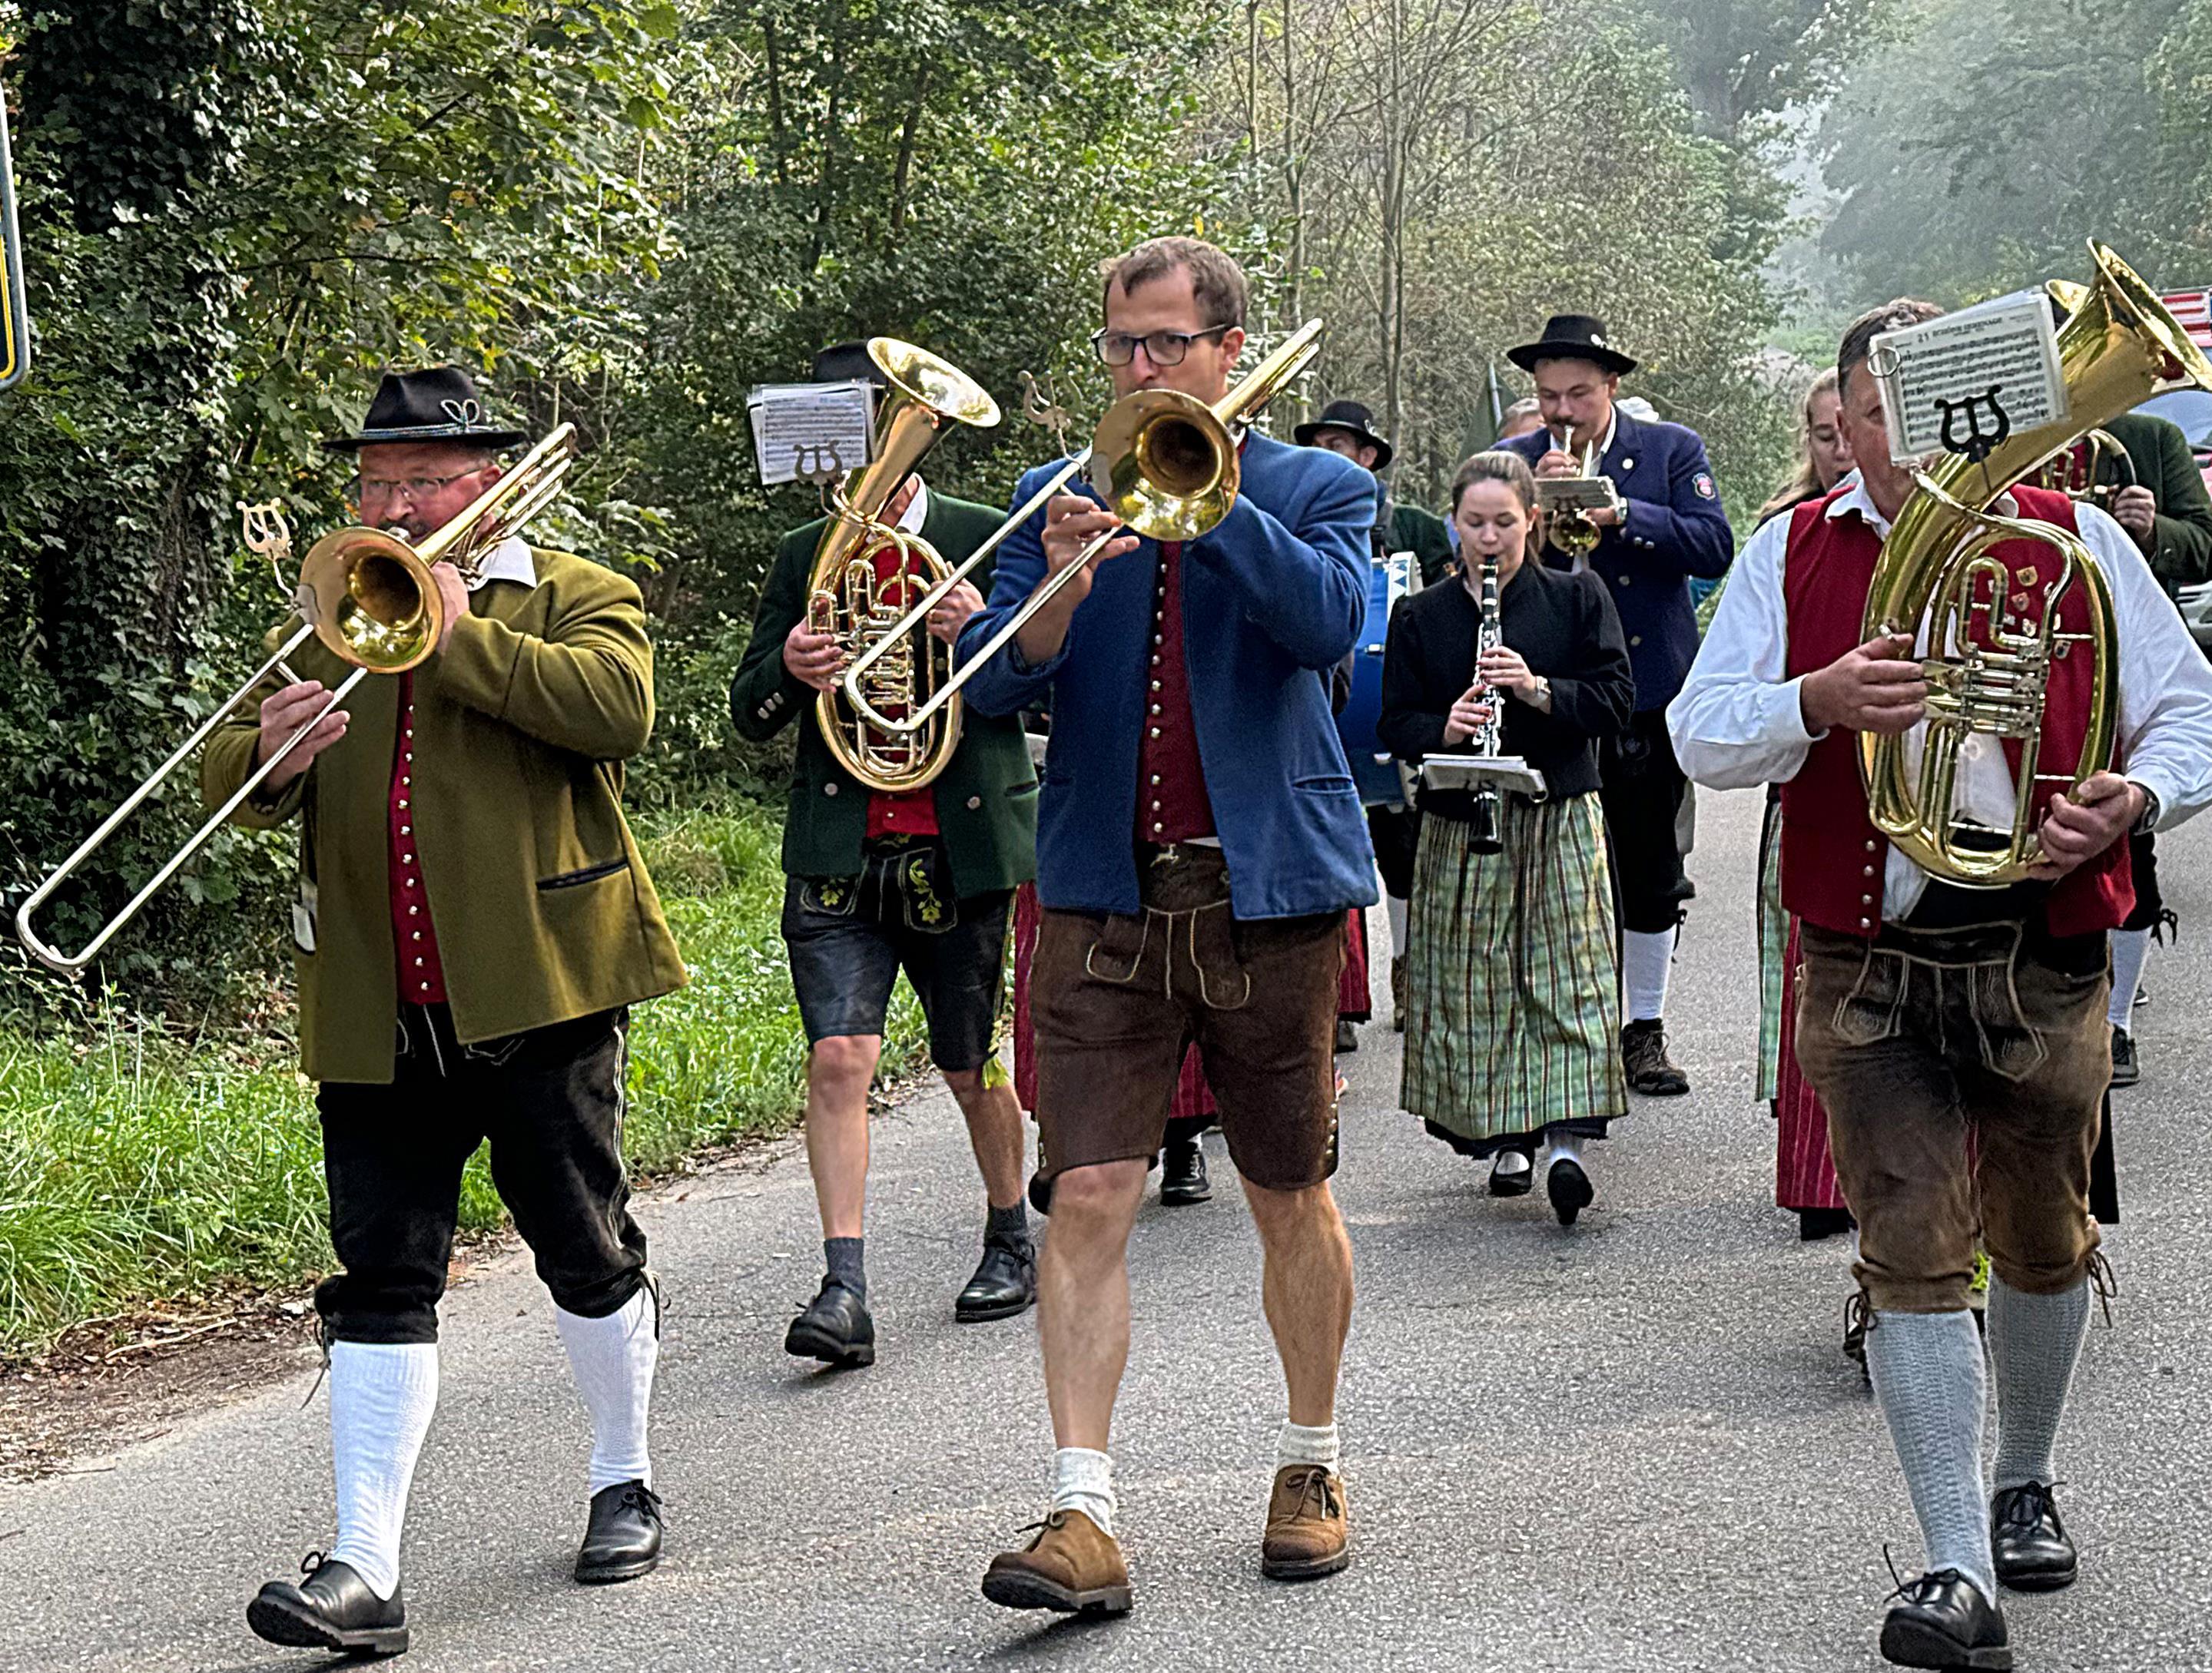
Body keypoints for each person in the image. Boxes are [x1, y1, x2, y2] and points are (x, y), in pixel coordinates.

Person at [1669, 300, 2212, 1670]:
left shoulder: (2069, 536)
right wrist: (1811, 700)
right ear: (1842, 420)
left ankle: (2018, 1474)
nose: (1927, 437)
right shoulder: (1785, 550)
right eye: (1889, 410)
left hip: (2037, 946)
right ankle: (1952, 1563)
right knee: (1905, 1243)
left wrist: (2133, 794)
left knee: (2039, 1235)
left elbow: (2190, 706)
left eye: (1952, 404)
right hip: (1864, 958)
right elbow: (1695, 730)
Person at [204, 368, 691, 1657]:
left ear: (484, 484)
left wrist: (458, 627)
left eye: (419, 480)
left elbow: (616, 711)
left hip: (542, 981)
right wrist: (270, 751)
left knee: (583, 1246)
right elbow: (226, 766)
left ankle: (621, 1473)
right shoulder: (332, 609)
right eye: (374, 482)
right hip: (376, 1000)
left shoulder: (573, 590)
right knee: (378, 1272)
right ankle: (365, 1564)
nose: (393, 502)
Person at [959, 235, 1375, 1613]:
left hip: (1268, 891)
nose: (1137, 371)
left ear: (1226, 356)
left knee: (1284, 1185)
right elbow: (995, 689)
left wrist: (1211, 500)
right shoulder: (1048, 495)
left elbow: (1325, 628)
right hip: (1099, 888)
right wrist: (1065, 575)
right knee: (1084, 1188)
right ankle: (1080, 1508)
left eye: (1164, 348)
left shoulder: (1318, 483)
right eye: (1120, 348)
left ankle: (1308, 1459)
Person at [728, 342, 1040, 1367]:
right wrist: (790, 663)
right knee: (838, 1057)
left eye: (884, 430)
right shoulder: (798, 552)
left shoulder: (982, 536)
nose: (860, 460)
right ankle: (844, 1285)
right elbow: (749, 712)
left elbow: (1039, 688)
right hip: (838, 846)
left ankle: (1007, 1232)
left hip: (954, 844)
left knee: (964, 1061)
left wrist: (982, 628)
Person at [1378, 452, 1634, 1221]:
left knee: (1567, 978)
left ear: (1531, 519)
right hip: (1463, 817)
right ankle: (1505, 1138)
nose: (1487, 539)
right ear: (1453, 524)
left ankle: (1563, 1143)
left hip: (1557, 809)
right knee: (1478, 984)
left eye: (1502, 522)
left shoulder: (1574, 596)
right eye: (1472, 523)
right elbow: (1393, 724)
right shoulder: (1420, 615)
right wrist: (1443, 727)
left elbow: (1616, 699)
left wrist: (1535, 690)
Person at [1501, 314, 1733, 1097]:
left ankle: (1642, 1027)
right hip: (1547, 693)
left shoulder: (1668, 450)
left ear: (1610, 388)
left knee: (1648, 865)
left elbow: (1712, 545)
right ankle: (1557, 1025)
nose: (1560, 410)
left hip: (1642, 691)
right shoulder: (1516, 461)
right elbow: (1468, 553)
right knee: (1541, 866)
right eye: (1546, 396)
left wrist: (1622, 515)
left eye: (1575, 393)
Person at [2051, 406, 2212, 1086]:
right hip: (2046, 638)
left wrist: (2151, 530)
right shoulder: (2033, 432)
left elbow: (2204, 541)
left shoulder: (2150, 440)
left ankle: (2114, 1022)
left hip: (2124, 650)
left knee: (2126, 835)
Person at [1756, 366, 1859, 1240]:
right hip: (1817, 793)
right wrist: (1809, 701)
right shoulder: (1785, 536)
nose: (1839, 451)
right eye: (1824, 435)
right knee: (1815, 989)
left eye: (1848, 430)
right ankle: (1819, 1180)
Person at [1293, 399, 1435, 1030]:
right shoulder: (1293, 515)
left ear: (1368, 455)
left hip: (1393, 717)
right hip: (1318, 714)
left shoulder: (1417, 529)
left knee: (1400, 852)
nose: (1328, 452)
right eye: (1320, 442)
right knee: (1322, 855)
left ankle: (1407, 970)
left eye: (1340, 444)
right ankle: (1332, 995)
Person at [1295, 397, 1455, 584]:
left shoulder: (1416, 529)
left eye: (1335, 446)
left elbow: (1448, 602)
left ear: (1367, 456)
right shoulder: (1297, 526)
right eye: (1317, 447)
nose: (1321, 455)